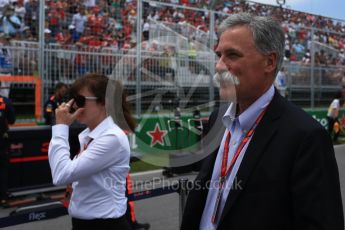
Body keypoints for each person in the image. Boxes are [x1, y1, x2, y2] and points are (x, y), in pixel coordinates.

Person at [181, 13, 344, 230]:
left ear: (269, 62)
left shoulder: (306, 136)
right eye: (219, 55)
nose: (219, 66)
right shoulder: (217, 118)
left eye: (232, 55)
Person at [48, 73, 131, 229]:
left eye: (80, 101)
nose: (73, 107)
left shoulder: (111, 138)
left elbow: (61, 174)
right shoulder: (89, 136)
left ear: (103, 102)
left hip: (105, 225)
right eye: (73, 100)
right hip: (86, 223)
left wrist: (60, 127)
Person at [0, 90, 15, 207]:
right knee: (3, 168)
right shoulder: (4, 101)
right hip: (2, 140)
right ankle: (3, 198)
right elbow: (12, 120)